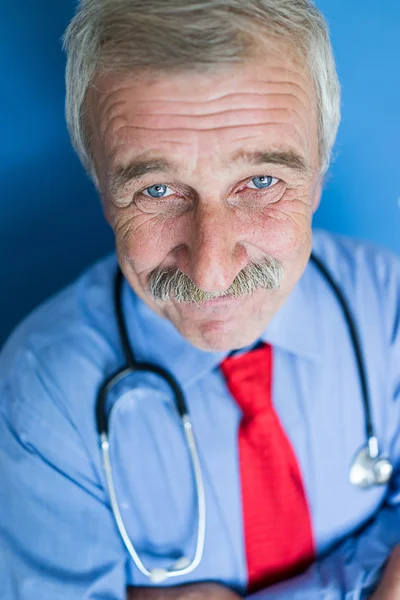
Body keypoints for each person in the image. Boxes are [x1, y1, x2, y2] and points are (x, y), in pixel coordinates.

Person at [0, 0, 399, 598]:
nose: (211, 271)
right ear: (105, 191)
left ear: (319, 174)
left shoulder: (386, 303)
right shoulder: (43, 394)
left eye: (261, 182)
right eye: (156, 189)